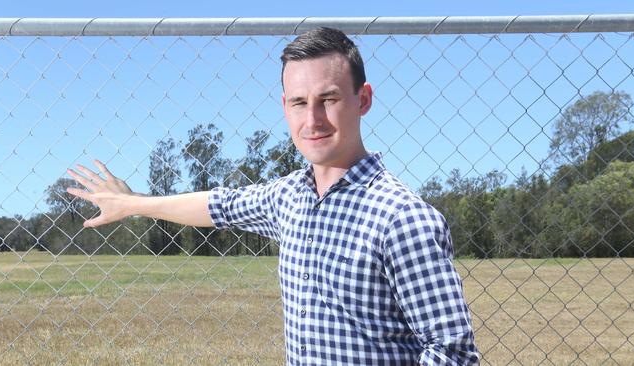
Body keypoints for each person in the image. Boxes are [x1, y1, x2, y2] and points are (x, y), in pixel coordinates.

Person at [67, 27, 480, 365]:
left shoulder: (402, 218)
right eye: (299, 103)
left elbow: (453, 354)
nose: (313, 119)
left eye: (329, 99)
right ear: (285, 107)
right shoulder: (288, 198)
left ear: (363, 100)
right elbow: (216, 206)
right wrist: (133, 204)